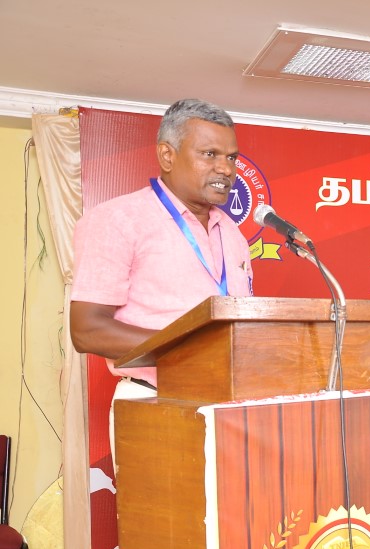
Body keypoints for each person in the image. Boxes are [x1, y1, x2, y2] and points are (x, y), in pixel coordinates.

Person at [71, 98, 255, 398]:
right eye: (209, 154)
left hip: (229, 397)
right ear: (167, 156)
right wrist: (192, 350)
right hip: (154, 398)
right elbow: (86, 330)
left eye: (231, 158)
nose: (225, 168)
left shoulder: (232, 233)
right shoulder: (117, 219)